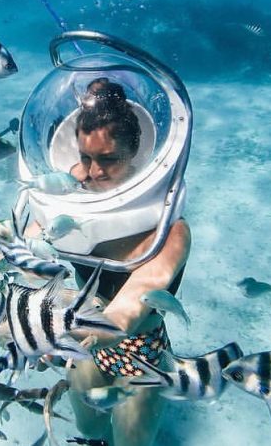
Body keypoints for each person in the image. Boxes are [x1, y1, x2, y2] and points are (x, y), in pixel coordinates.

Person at [28, 78, 191, 445]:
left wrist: (49, 331)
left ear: (136, 152)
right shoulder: (73, 195)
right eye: (85, 157)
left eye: (108, 159)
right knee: (89, 431)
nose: (93, 172)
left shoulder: (170, 230)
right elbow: (26, 246)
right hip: (83, 341)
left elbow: (123, 316)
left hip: (140, 350)